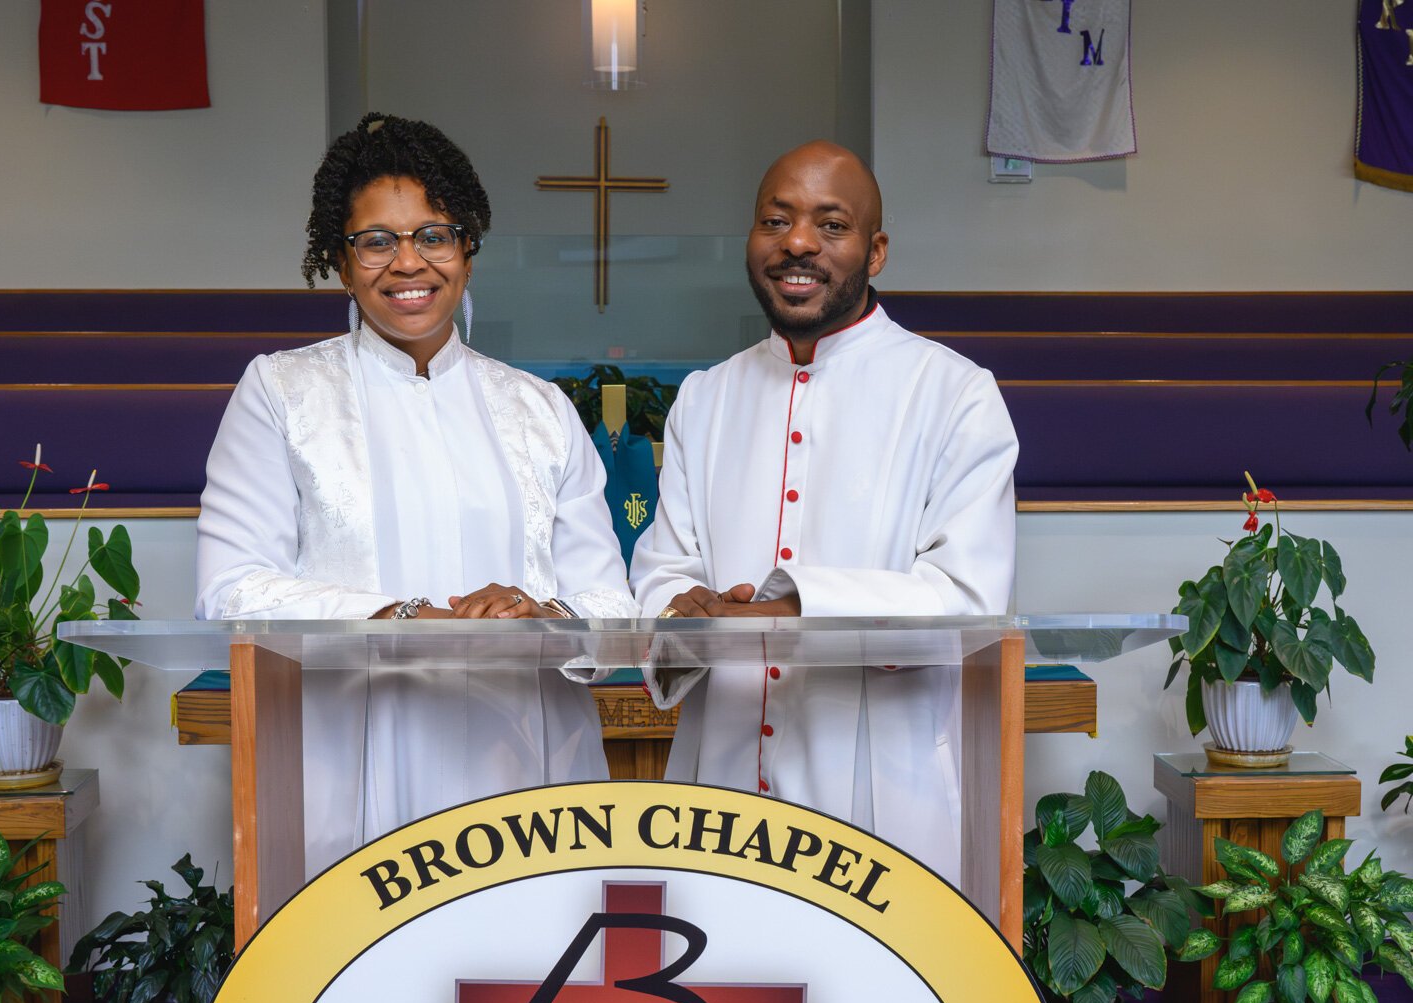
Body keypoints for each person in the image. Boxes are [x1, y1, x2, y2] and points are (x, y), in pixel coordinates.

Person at [196, 113, 635, 874]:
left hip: (526, 773)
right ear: (342, 263)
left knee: (527, 943)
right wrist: (402, 616)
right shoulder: (282, 392)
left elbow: (613, 607)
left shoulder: (539, 409)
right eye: (377, 240)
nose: (408, 262)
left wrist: (546, 615)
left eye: (434, 235)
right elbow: (231, 587)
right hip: (351, 767)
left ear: (467, 251)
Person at [627, 141, 1018, 883]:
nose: (798, 243)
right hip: (716, 797)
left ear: (876, 252)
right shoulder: (705, 398)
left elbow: (969, 601)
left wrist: (789, 608)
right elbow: (661, 573)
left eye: (831, 225)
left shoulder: (955, 395)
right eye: (775, 221)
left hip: (881, 803)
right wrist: (681, 610)